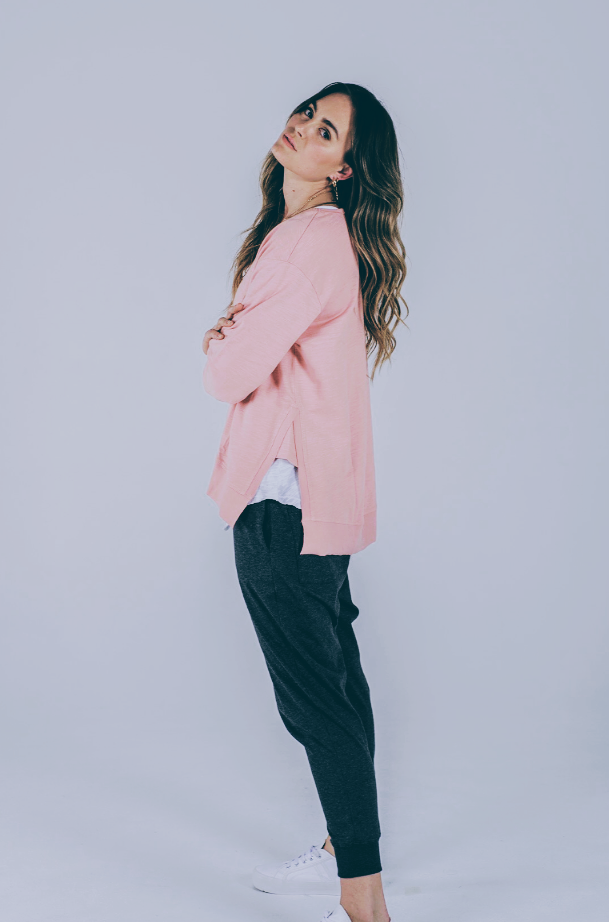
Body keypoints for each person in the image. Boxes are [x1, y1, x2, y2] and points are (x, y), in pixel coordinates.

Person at [202, 81, 408, 922]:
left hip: (279, 505)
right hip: (314, 497)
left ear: (344, 168)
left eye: (324, 131)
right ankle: (339, 852)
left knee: (316, 704)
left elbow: (226, 373)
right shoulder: (320, 238)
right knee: (339, 688)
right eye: (307, 114)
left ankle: (363, 904)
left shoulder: (299, 244)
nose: (301, 128)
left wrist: (221, 338)